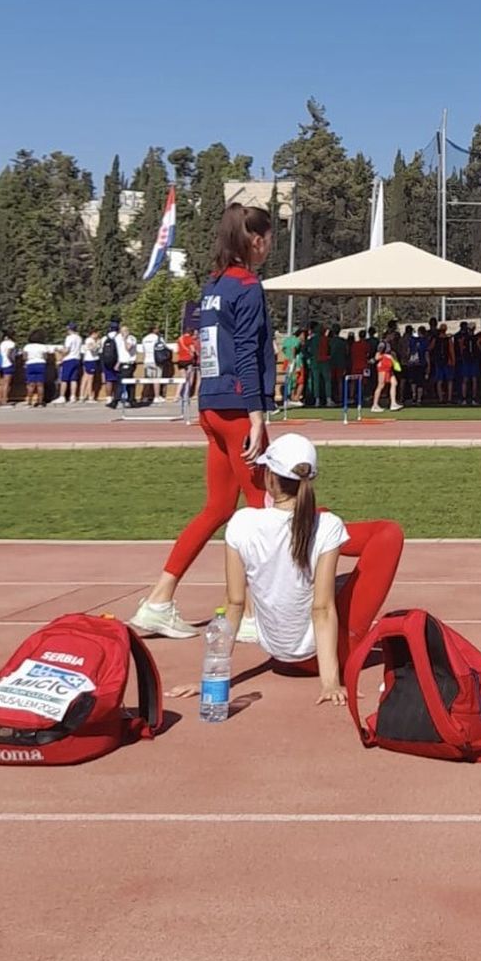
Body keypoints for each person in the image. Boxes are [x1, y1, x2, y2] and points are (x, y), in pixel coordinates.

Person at [164, 433, 406, 704]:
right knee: (389, 534)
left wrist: (209, 679)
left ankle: (310, 541)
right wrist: (330, 683)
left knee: (326, 543)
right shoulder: (327, 525)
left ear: (269, 477)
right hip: (324, 655)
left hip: (279, 653)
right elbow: (322, 609)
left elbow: (233, 604)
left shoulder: (241, 523)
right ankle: (314, 540)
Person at [130, 204, 275, 640]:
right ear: (254, 240)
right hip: (235, 407)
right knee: (263, 512)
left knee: (217, 509)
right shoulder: (247, 287)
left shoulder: (213, 285)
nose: (269, 247)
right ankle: (249, 615)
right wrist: (256, 414)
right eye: (267, 239)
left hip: (211, 404)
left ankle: (159, 599)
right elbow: (248, 351)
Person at [22, 331, 52, 407]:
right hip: (40, 364)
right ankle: (40, 402)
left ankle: (29, 402)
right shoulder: (43, 346)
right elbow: (46, 357)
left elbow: (24, 357)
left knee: (31, 384)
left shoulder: (27, 346)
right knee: (40, 384)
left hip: (30, 364)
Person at [59, 323, 84, 405]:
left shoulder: (69, 338)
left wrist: (60, 352)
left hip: (69, 358)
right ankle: (73, 396)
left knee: (64, 379)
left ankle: (62, 396)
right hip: (77, 358)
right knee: (74, 379)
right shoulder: (79, 338)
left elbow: (66, 350)